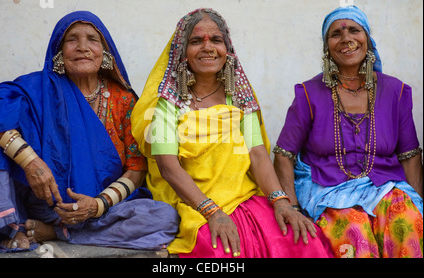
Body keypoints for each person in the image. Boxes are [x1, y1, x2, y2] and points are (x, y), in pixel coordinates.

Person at [131, 8, 333, 258]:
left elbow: (258, 155)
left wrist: (282, 202)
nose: (208, 47)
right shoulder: (167, 104)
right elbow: (168, 167)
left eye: (216, 40)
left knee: (304, 241)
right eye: (196, 41)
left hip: (246, 198)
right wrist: (213, 213)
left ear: (227, 50)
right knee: (223, 252)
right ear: (181, 53)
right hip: (193, 204)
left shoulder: (238, 97)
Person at [0, 11, 179, 253]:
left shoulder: (122, 100)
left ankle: (54, 232)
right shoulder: (39, 89)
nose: (83, 47)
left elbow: (137, 167)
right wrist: (31, 162)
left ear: (105, 52)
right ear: (59, 51)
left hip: (100, 208)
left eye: (92, 39)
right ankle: (7, 226)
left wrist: (97, 205)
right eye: (72, 39)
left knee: (165, 217)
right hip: (44, 203)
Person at [273, 5, 423, 258]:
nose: (346, 39)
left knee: (405, 222)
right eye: (336, 34)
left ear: (367, 39)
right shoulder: (308, 94)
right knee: (353, 231)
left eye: (354, 30)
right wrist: (293, 207)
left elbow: (410, 156)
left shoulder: (395, 92)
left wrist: (418, 203)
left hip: (385, 186)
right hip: (328, 190)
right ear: (326, 46)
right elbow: (283, 154)